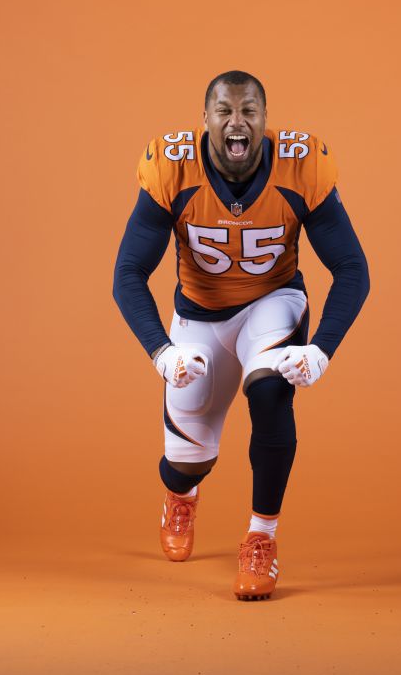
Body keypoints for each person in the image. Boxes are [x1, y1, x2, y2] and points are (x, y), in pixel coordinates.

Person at [112, 70, 369, 601]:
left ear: (264, 121)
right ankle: (182, 496)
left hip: (272, 303)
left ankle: (261, 538)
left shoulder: (301, 166)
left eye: (249, 111)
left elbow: (351, 267)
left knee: (271, 393)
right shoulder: (173, 167)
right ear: (204, 120)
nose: (237, 121)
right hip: (198, 319)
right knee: (186, 462)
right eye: (224, 110)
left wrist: (321, 348)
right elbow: (128, 273)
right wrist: (161, 351)